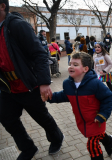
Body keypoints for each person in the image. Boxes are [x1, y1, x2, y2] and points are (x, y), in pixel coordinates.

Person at [0, 1, 64, 159]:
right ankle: (28, 148)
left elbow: (40, 54)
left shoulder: (17, 26)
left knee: (42, 117)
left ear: (2, 6)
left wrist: (43, 82)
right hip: (7, 87)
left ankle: (57, 138)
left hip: (28, 84)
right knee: (7, 119)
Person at [42, 52, 112, 160]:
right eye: (70, 64)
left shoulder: (95, 84)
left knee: (92, 145)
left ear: (85, 69)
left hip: (97, 120)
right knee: (99, 136)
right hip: (82, 121)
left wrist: (103, 114)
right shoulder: (67, 84)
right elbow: (65, 95)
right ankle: (108, 141)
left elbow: (108, 97)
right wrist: (50, 97)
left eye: (75, 65)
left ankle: (106, 144)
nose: (71, 66)